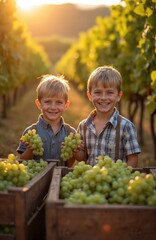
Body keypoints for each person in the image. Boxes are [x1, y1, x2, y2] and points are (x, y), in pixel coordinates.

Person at [75, 65, 141, 167]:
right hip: (90, 180)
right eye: (98, 92)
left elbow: (133, 160)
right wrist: (75, 151)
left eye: (109, 92)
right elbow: (82, 158)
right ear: (89, 95)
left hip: (115, 181)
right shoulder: (83, 126)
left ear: (119, 96)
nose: (103, 97)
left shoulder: (126, 127)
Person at [17, 74, 76, 167]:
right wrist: (30, 150)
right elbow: (23, 161)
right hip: (36, 178)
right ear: (39, 104)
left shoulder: (71, 133)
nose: (53, 107)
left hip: (60, 179)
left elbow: (69, 165)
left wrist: (72, 152)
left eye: (59, 102)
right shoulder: (30, 133)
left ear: (66, 105)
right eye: (48, 102)